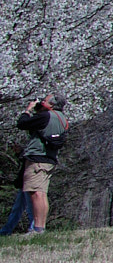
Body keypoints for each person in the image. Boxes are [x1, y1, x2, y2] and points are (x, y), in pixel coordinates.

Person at [10, 93, 68, 236]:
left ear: (52, 104)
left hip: (37, 159)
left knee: (36, 194)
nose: (42, 102)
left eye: (45, 100)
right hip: (50, 158)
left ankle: (37, 228)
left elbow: (22, 123)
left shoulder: (46, 116)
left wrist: (28, 110)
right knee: (41, 193)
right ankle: (39, 228)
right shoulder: (62, 119)